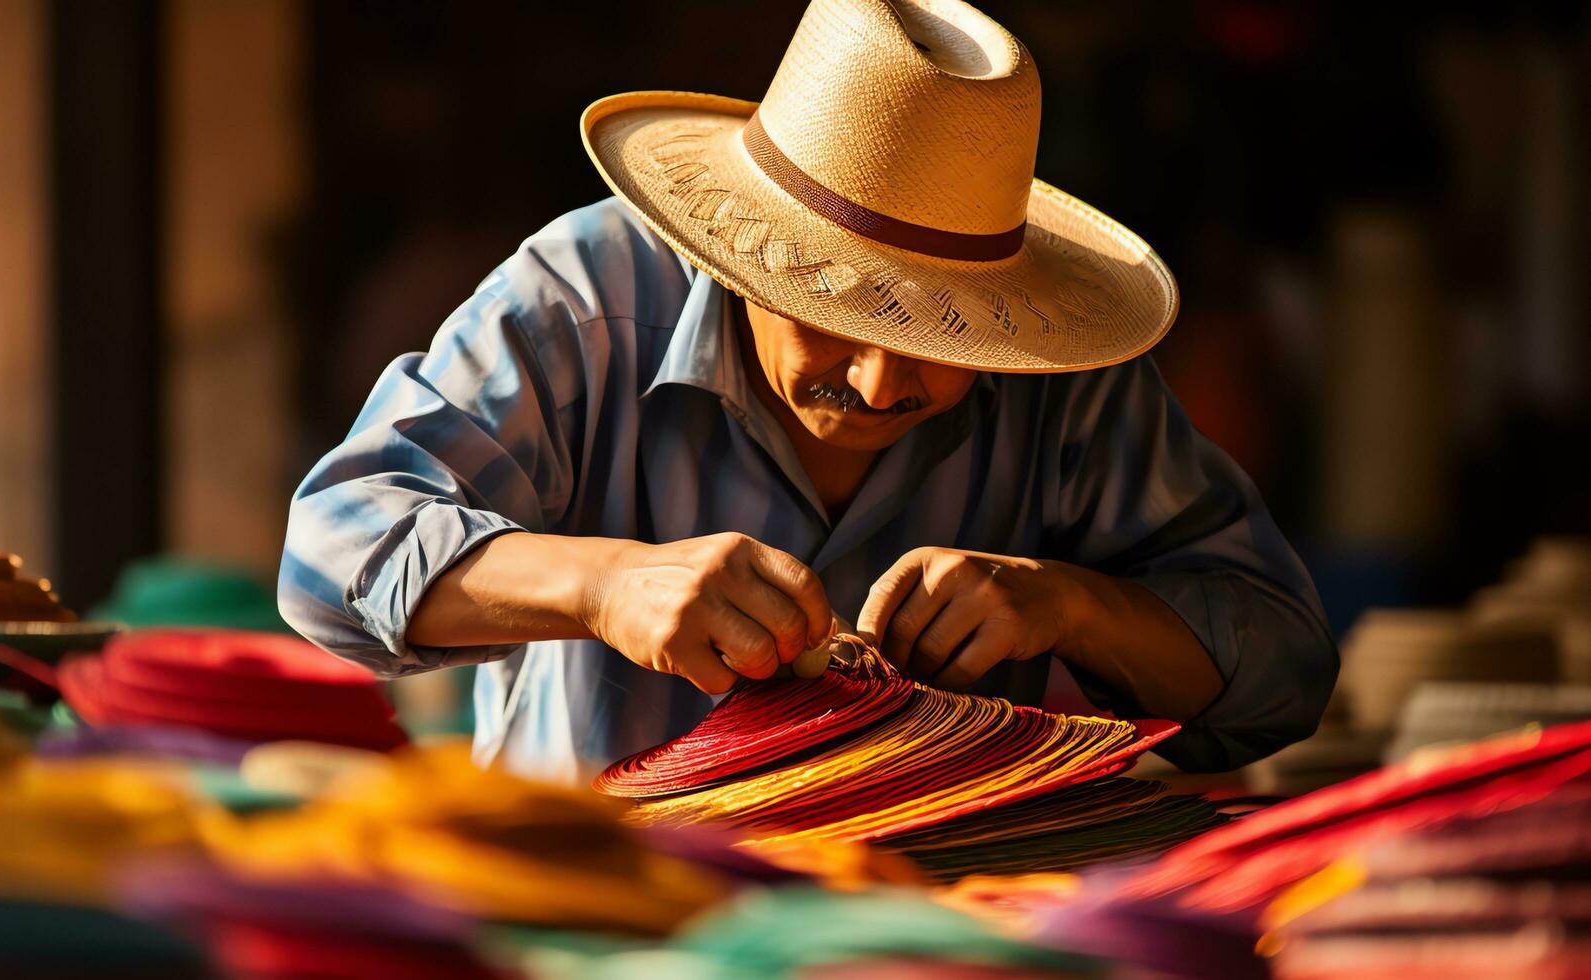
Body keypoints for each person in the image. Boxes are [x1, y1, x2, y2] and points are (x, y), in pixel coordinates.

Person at [279, 0, 1337, 784]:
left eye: (939, 333)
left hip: (929, 940)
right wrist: (601, 584)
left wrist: (1070, 603)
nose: (879, 382)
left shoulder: (1059, 374)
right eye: (836, 312)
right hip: (598, 922)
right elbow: (331, 550)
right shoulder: (585, 303)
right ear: (745, 256)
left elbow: (1279, 667)